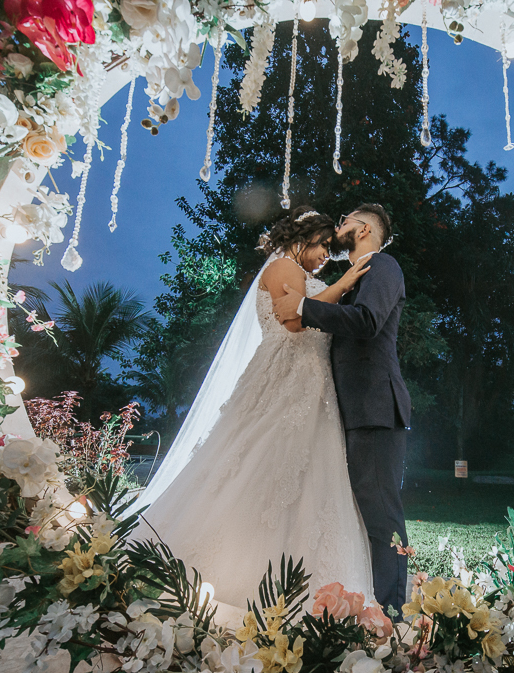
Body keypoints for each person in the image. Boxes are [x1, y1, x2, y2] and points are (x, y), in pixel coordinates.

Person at [127, 206, 376, 623]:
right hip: (287, 378)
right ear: (304, 239)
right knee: (262, 461)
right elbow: (294, 321)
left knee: (305, 473)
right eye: (322, 248)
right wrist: (344, 283)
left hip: (312, 385)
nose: (325, 258)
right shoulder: (283, 266)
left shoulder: (297, 269)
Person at [272, 203, 411, 618]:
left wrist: (303, 307)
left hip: (374, 408)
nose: (339, 226)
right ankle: (368, 603)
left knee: (381, 512)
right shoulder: (355, 278)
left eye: (346, 220)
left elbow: (366, 321)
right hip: (353, 410)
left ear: (364, 229)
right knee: (362, 512)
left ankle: (392, 612)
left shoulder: (382, 265)